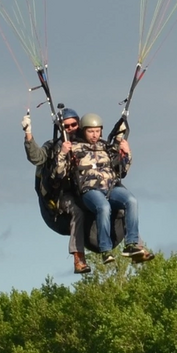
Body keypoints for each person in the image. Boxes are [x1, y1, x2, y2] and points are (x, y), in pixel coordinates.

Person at [58, 112, 151, 262]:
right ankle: (105, 249)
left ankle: (132, 244)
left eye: (97, 131)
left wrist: (127, 153)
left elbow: (122, 171)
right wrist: (63, 153)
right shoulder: (73, 148)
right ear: (83, 130)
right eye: (90, 131)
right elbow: (60, 172)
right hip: (89, 190)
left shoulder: (105, 146)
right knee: (103, 207)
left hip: (110, 187)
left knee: (131, 201)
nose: (94, 135)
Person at [23, 107, 89, 272]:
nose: (71, 129)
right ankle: (78, 259)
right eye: (66, 127)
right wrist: (28, 133)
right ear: (61, 129)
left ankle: (132, 245)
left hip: (85, 189)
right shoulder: (53, 147)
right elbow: (36, 157)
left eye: (74, 125)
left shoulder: (89, 143)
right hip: (60, 195)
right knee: (77, 211)